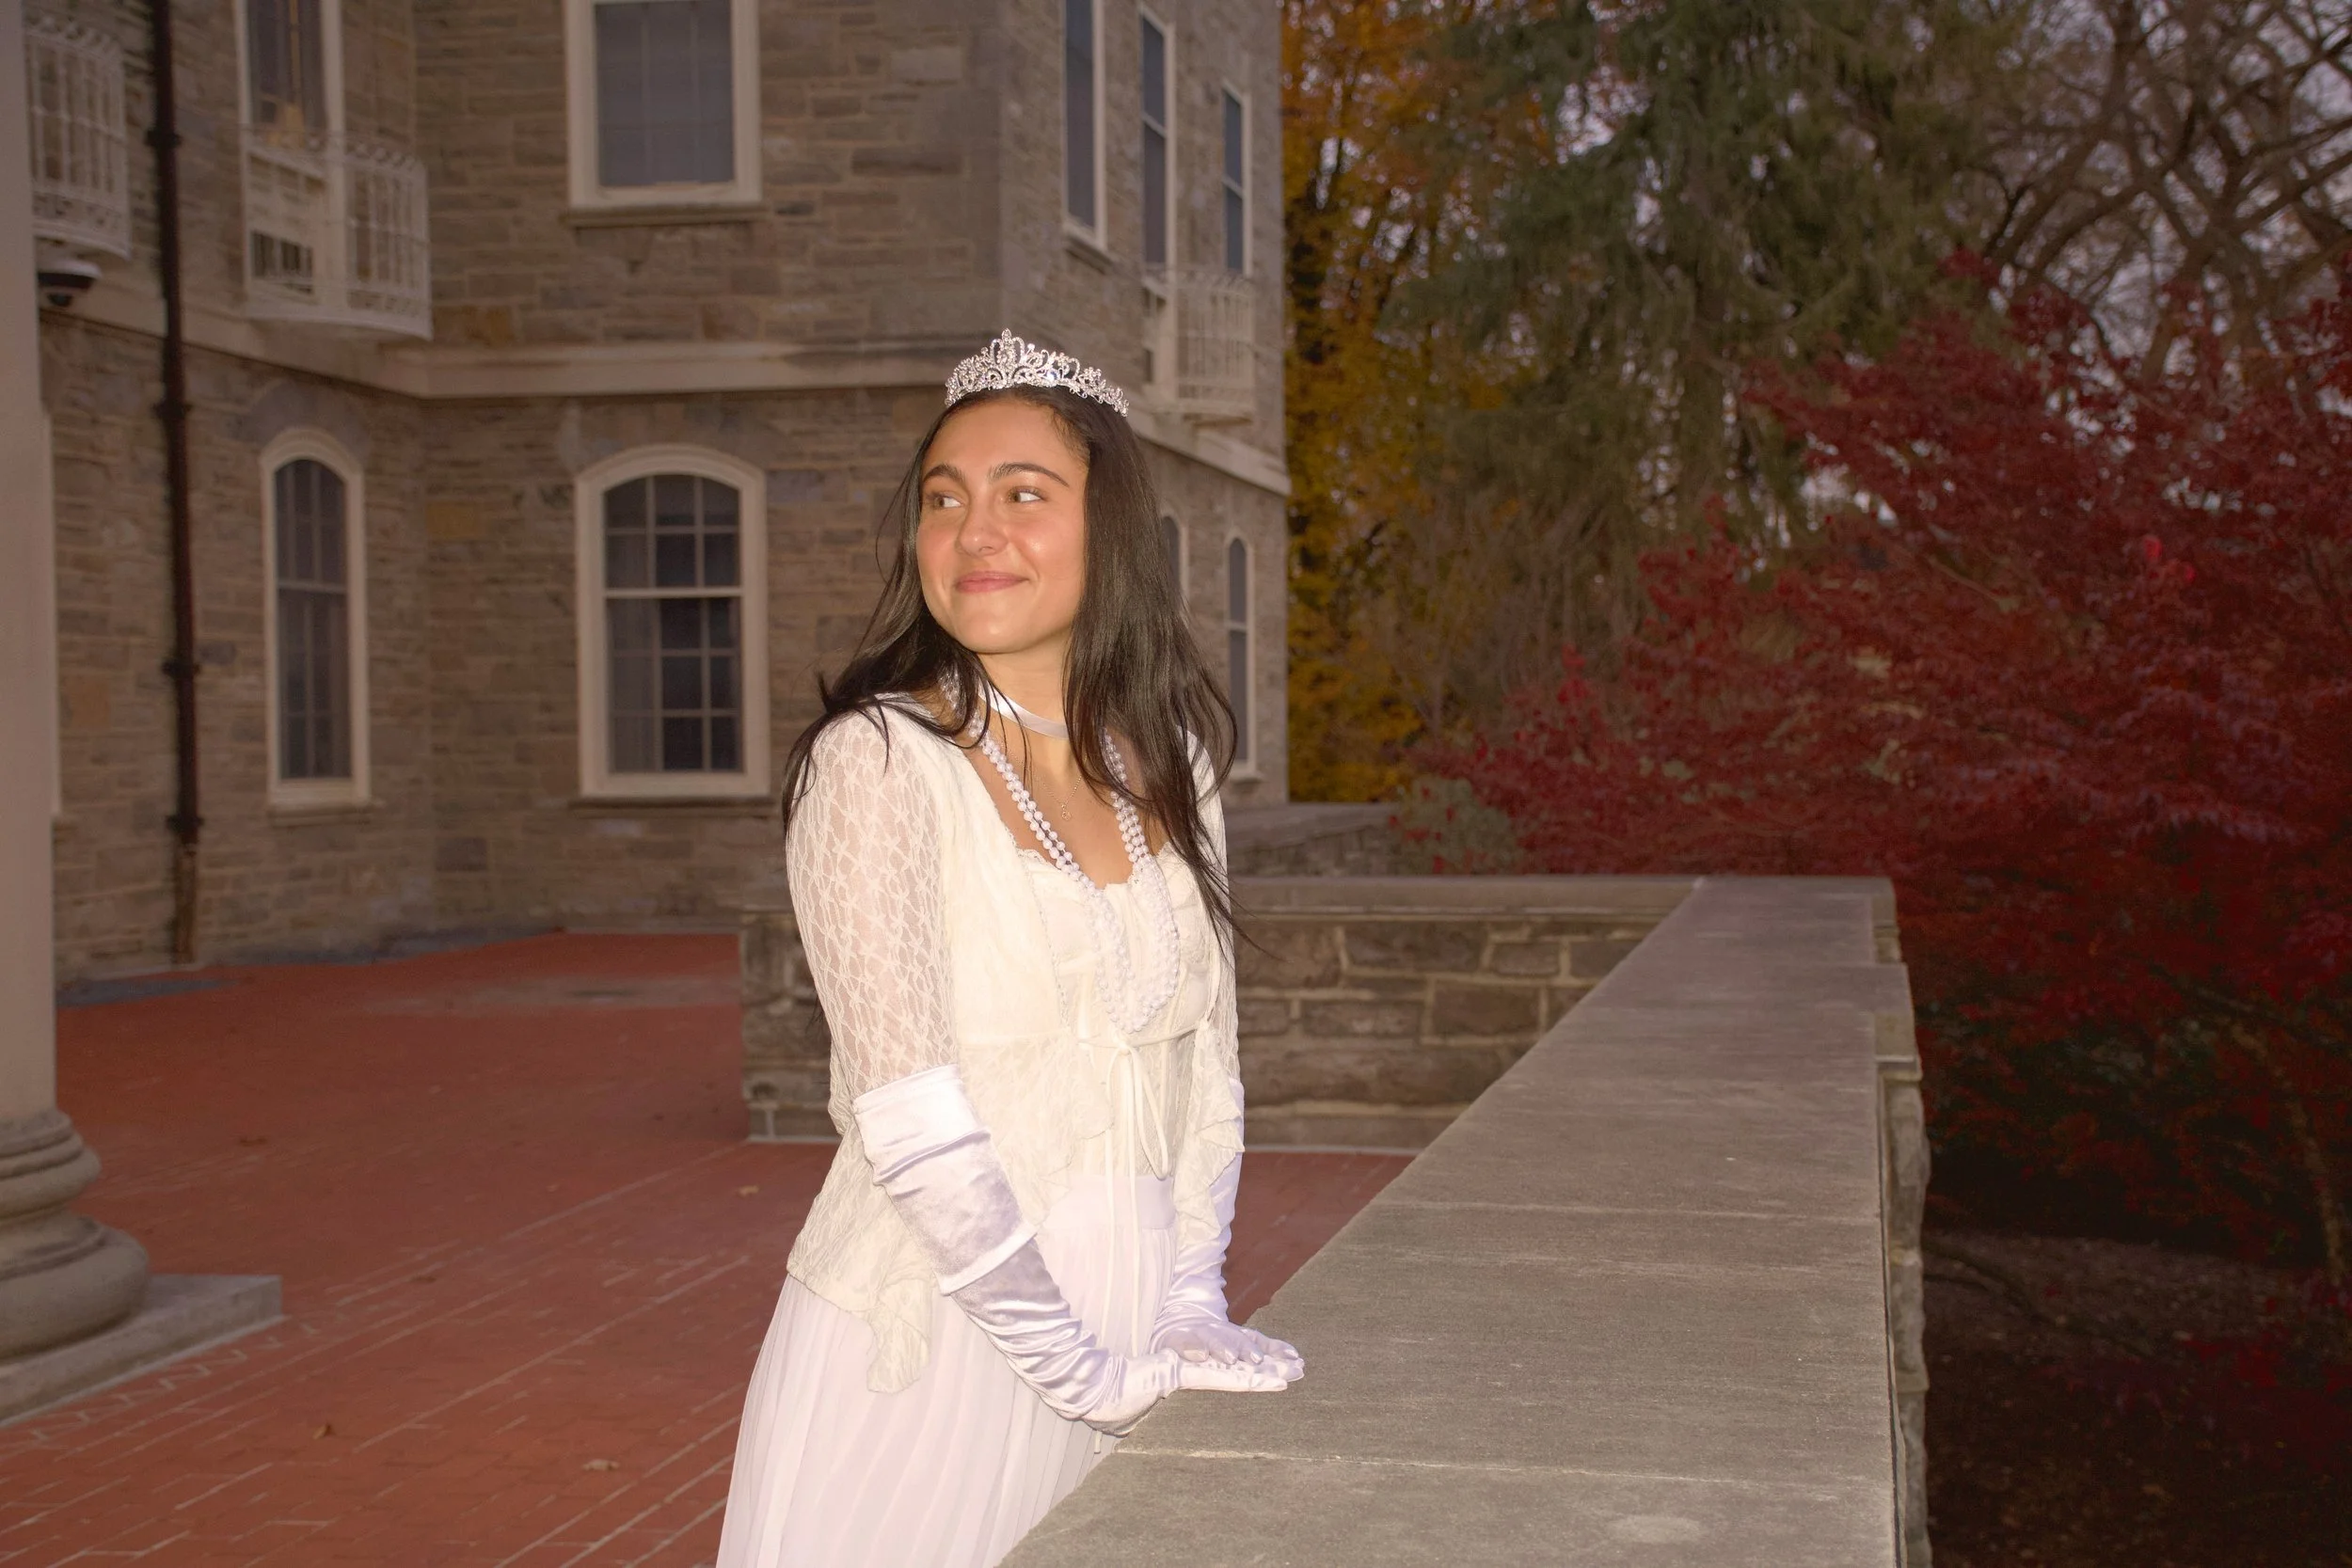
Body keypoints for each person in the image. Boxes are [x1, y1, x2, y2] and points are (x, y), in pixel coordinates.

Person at [713, 332, 1303, 1568]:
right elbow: (912, 1117)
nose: (976, 530)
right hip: (932, 1352)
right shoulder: (875, 765)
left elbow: (1206, 1069)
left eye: (1024, 494)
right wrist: (1075, 1369)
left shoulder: (1174, 763)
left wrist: (1189, 1300)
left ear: (1112, 532)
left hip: (1134, 1330)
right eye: (945, 498)